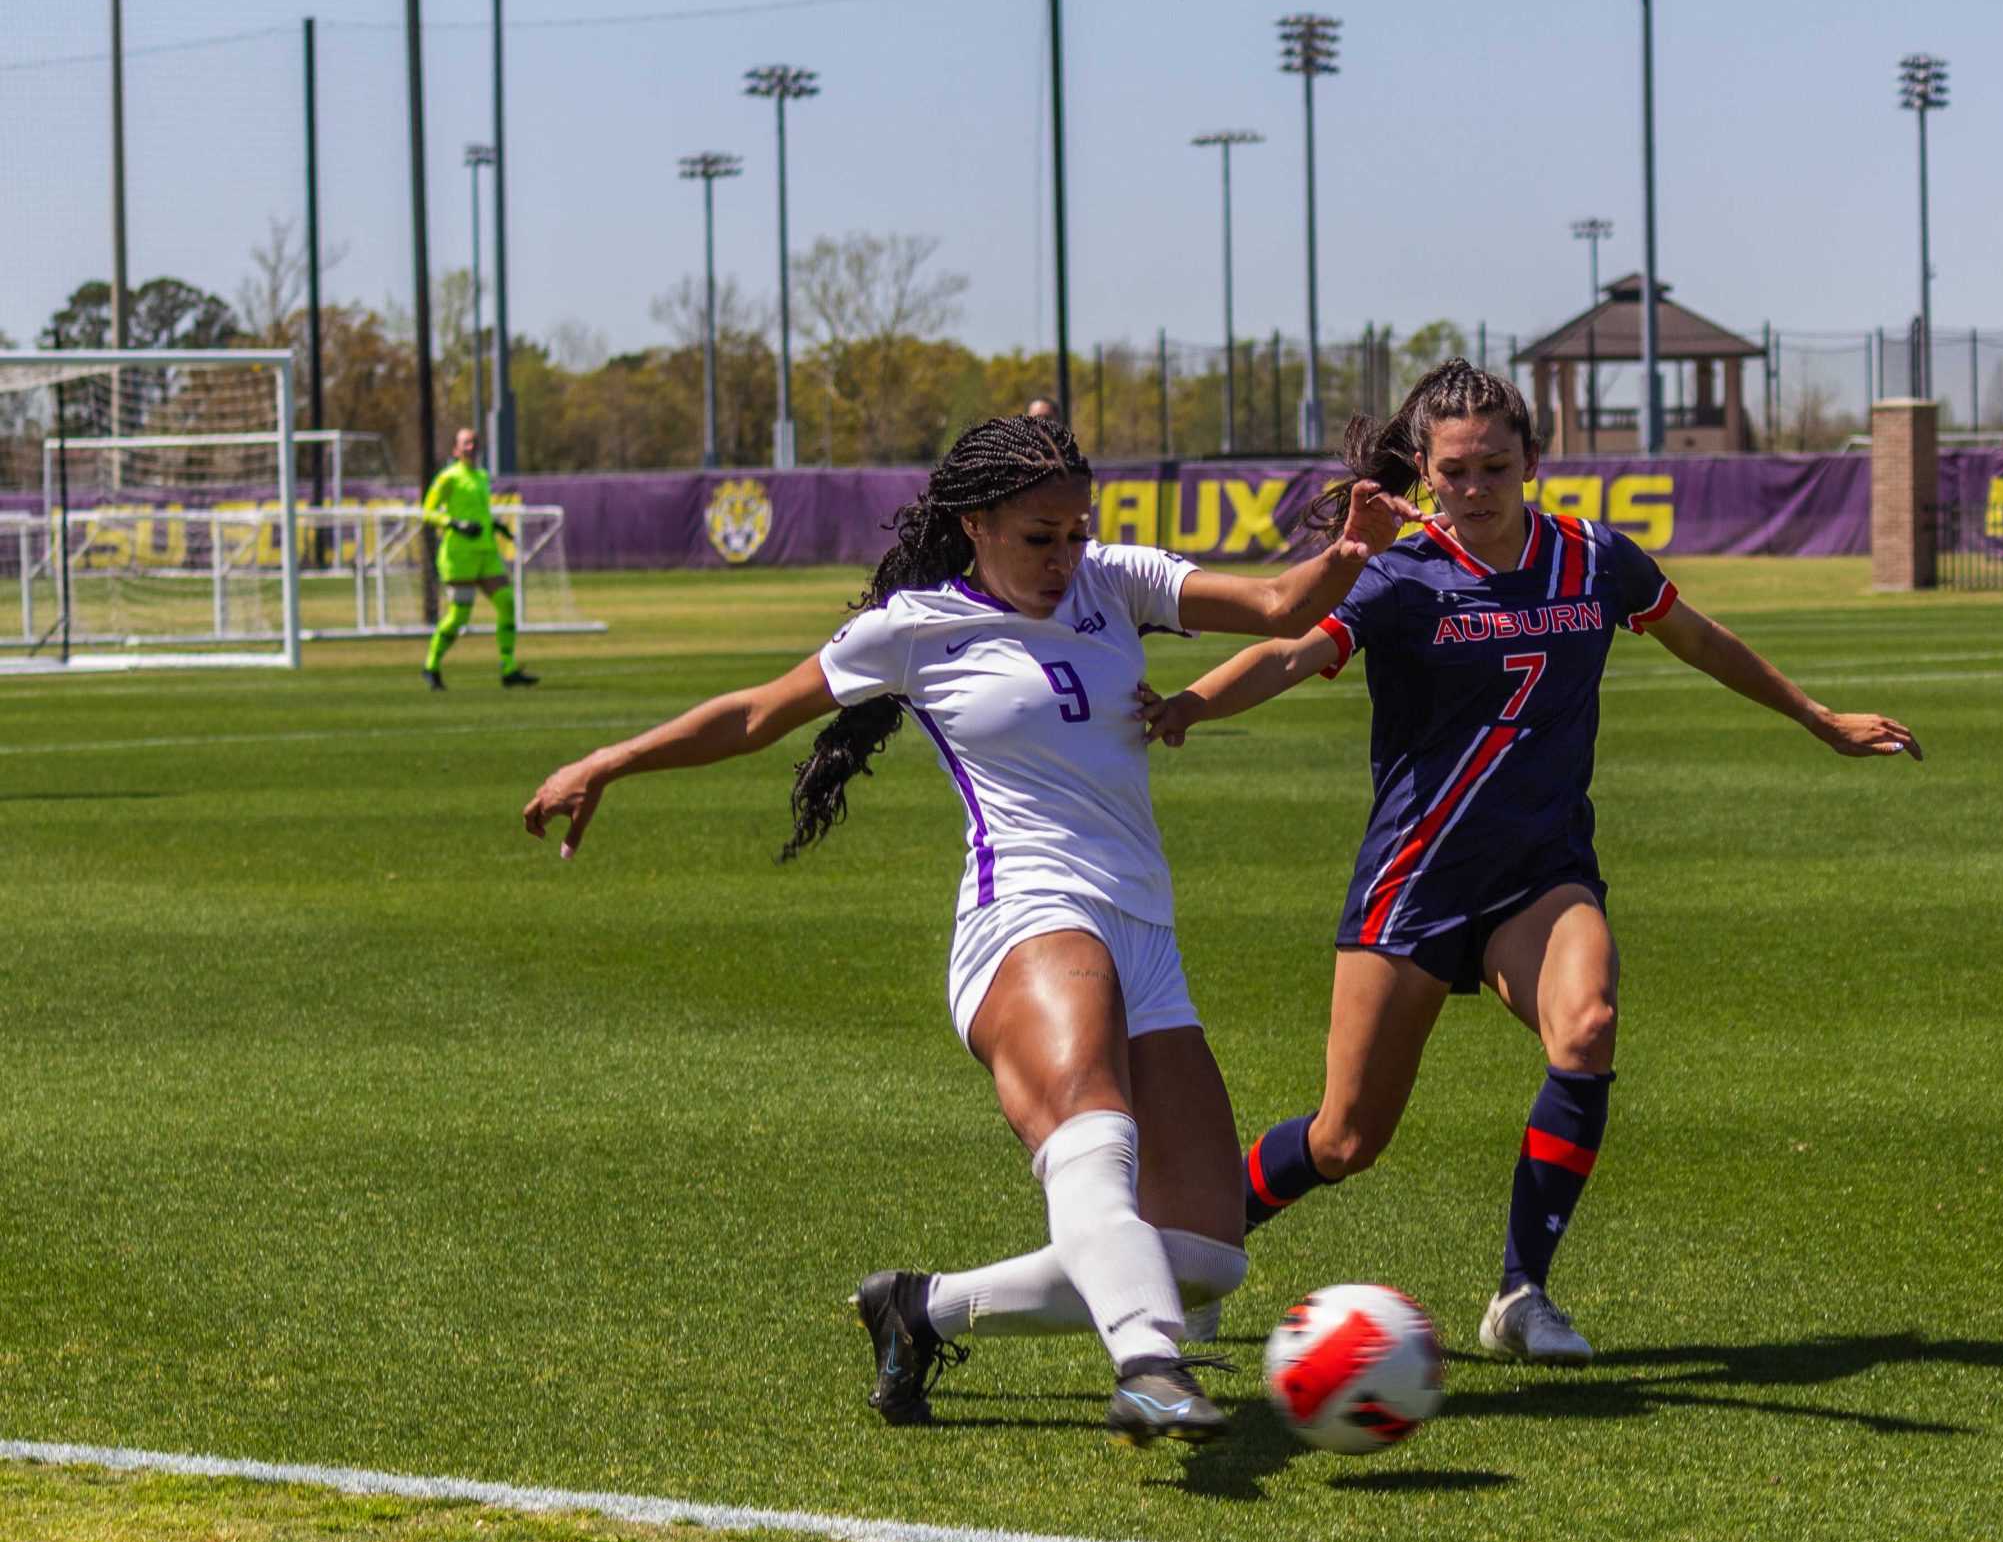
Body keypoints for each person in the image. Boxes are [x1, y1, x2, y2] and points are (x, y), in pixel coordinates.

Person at [522, 414, 1412, 1445]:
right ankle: (1148, 1362)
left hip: (1143, 927)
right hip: (1024, 912)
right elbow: (758, 714)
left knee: (1207, 1252)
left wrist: (1348, 553)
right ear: (975, 524)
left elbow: (1273, 602)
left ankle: (921, 1306)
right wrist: (609, 761)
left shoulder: (1111, 580)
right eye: (1040, 535)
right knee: (1093, 1136)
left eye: (1076, 531)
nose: (1063, 556)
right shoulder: (915, 626)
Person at [1141, 361, 1919, 1366]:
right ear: (1424, 475)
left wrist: (1815, 717)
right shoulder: (1398, 575)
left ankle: (1520, 1292)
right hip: (1414, 881)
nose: (1475, 489)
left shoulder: (1595, 559)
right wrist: (1194, 703)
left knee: (1586, 1025)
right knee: (1344, 1139)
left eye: (1495, 467)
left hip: (1539, 876)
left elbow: (1697, 636)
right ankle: (1195, 1247)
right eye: (1454, 472)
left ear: (1532, 463)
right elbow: (1290, 652)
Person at [420, 427, 536, 692]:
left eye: (474, 442)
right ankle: (431, 665)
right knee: (459, 616)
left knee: (506, 602)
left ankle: (508, 668)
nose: (471, 447)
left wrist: (495, 525)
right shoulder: (448, 477)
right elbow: (427, 511)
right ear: (456, 450)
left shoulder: (482, 476)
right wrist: (454, 523)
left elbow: (479, 511)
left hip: (486, 553)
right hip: (459, 556)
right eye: (466, 443)